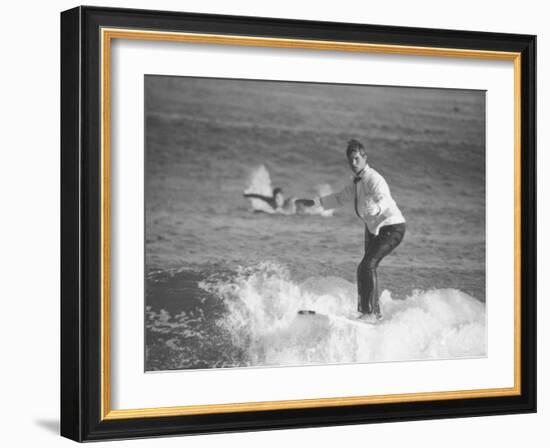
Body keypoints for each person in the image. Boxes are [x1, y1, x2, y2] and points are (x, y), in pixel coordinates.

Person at [296, 139, 406, 320]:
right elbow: (339, 198)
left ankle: (369, 313)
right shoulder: (356, 183)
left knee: (366, 266)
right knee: (366, 268)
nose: (353, 164)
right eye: (350, 160)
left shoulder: (373, 178)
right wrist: (316, 203)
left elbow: (384, 198)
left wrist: (378, 208)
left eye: (356, 159)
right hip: (373, 228)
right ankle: (371, 313)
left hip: (392, 227)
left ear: (364, 158)